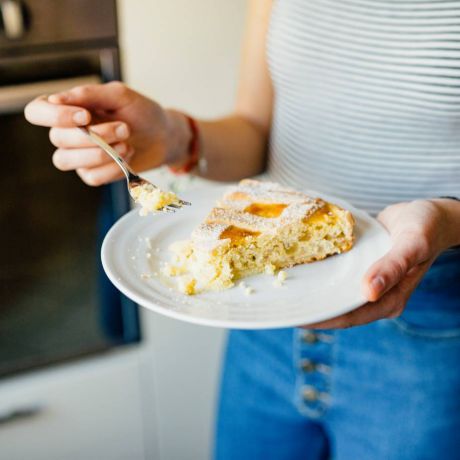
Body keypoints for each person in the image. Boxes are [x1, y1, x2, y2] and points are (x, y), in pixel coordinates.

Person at [25, 0, 460, 458]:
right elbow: (256, 129)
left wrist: (448, 220)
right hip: (265, 317)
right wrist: (172, 135)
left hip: (429, 328)